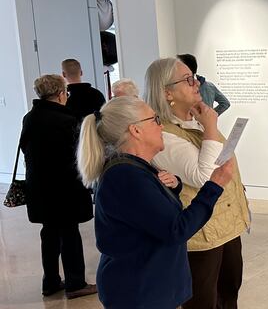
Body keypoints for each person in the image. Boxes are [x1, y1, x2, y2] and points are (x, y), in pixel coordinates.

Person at [76, 96, 237, 309]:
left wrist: (175, 186)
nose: (161, 126)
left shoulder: (137, 169)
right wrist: (214, 186)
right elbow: (177, 229)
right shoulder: (126, 176)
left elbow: (153, 215)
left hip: (150, 287)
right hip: (138, 292)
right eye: (155, 120)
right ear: (135, 130)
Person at [145, 57, 250, 309]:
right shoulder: (165, 135)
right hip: (201, 233)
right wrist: (211, 126)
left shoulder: (197, 122)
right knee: (203, 301)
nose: (197, 83)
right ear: (167, 92)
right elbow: (205, 177)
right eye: (188, 79)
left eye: (196, 77)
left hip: (226, 223)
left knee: (229, 292)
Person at [20, 75, 96, 299]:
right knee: (70, 233)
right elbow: (77, 155)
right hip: (64, 188)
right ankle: (75, 283)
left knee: (50, 233)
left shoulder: (30, 118)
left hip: (39, 187)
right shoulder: (67, 120)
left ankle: (50, 281)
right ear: (62, 94)